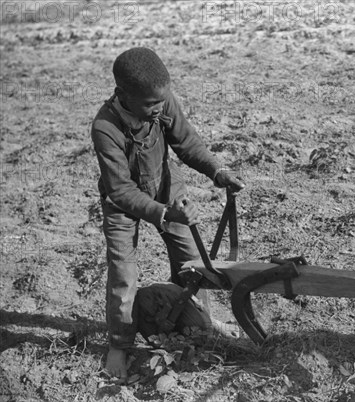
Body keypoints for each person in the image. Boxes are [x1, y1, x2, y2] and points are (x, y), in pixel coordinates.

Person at [90, 47, 245, 382]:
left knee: (192, 259)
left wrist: (217, 170)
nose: (158, 109)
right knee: (123, 272)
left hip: (166, 185)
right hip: (122, 204)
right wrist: (165, 214)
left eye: (161, 102)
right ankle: (120, 343)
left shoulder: (160, 100)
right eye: (150, 105)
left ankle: (199, 320)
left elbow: (187, 143)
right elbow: (120, 190)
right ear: (123, 95)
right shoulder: (105, 128)